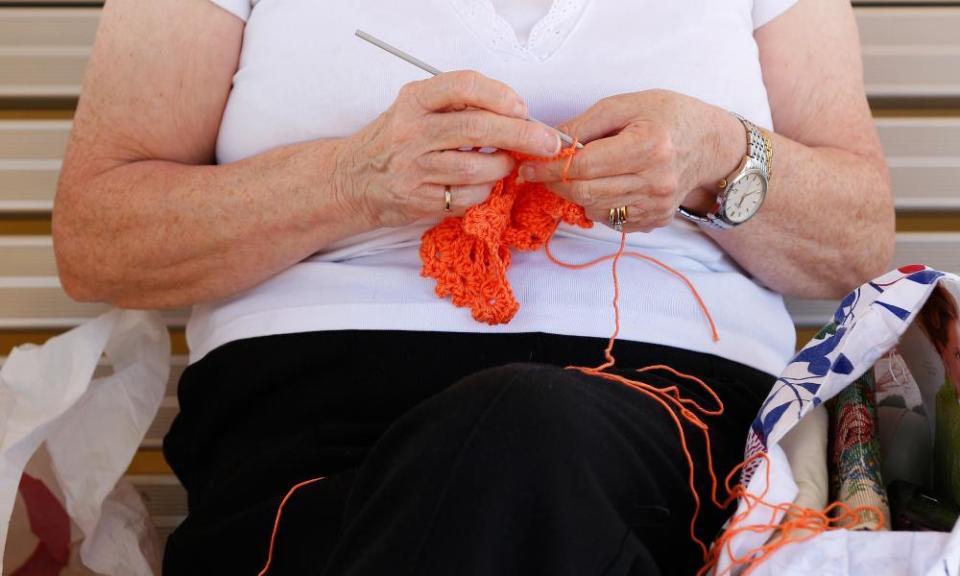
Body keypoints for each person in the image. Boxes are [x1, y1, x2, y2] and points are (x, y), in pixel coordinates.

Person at [51, 0, 894, 573]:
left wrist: (720, 159)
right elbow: (97, 239)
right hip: (302, 426)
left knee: (518, 438)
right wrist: (350, 179)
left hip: (664, 424)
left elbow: (856, 245)